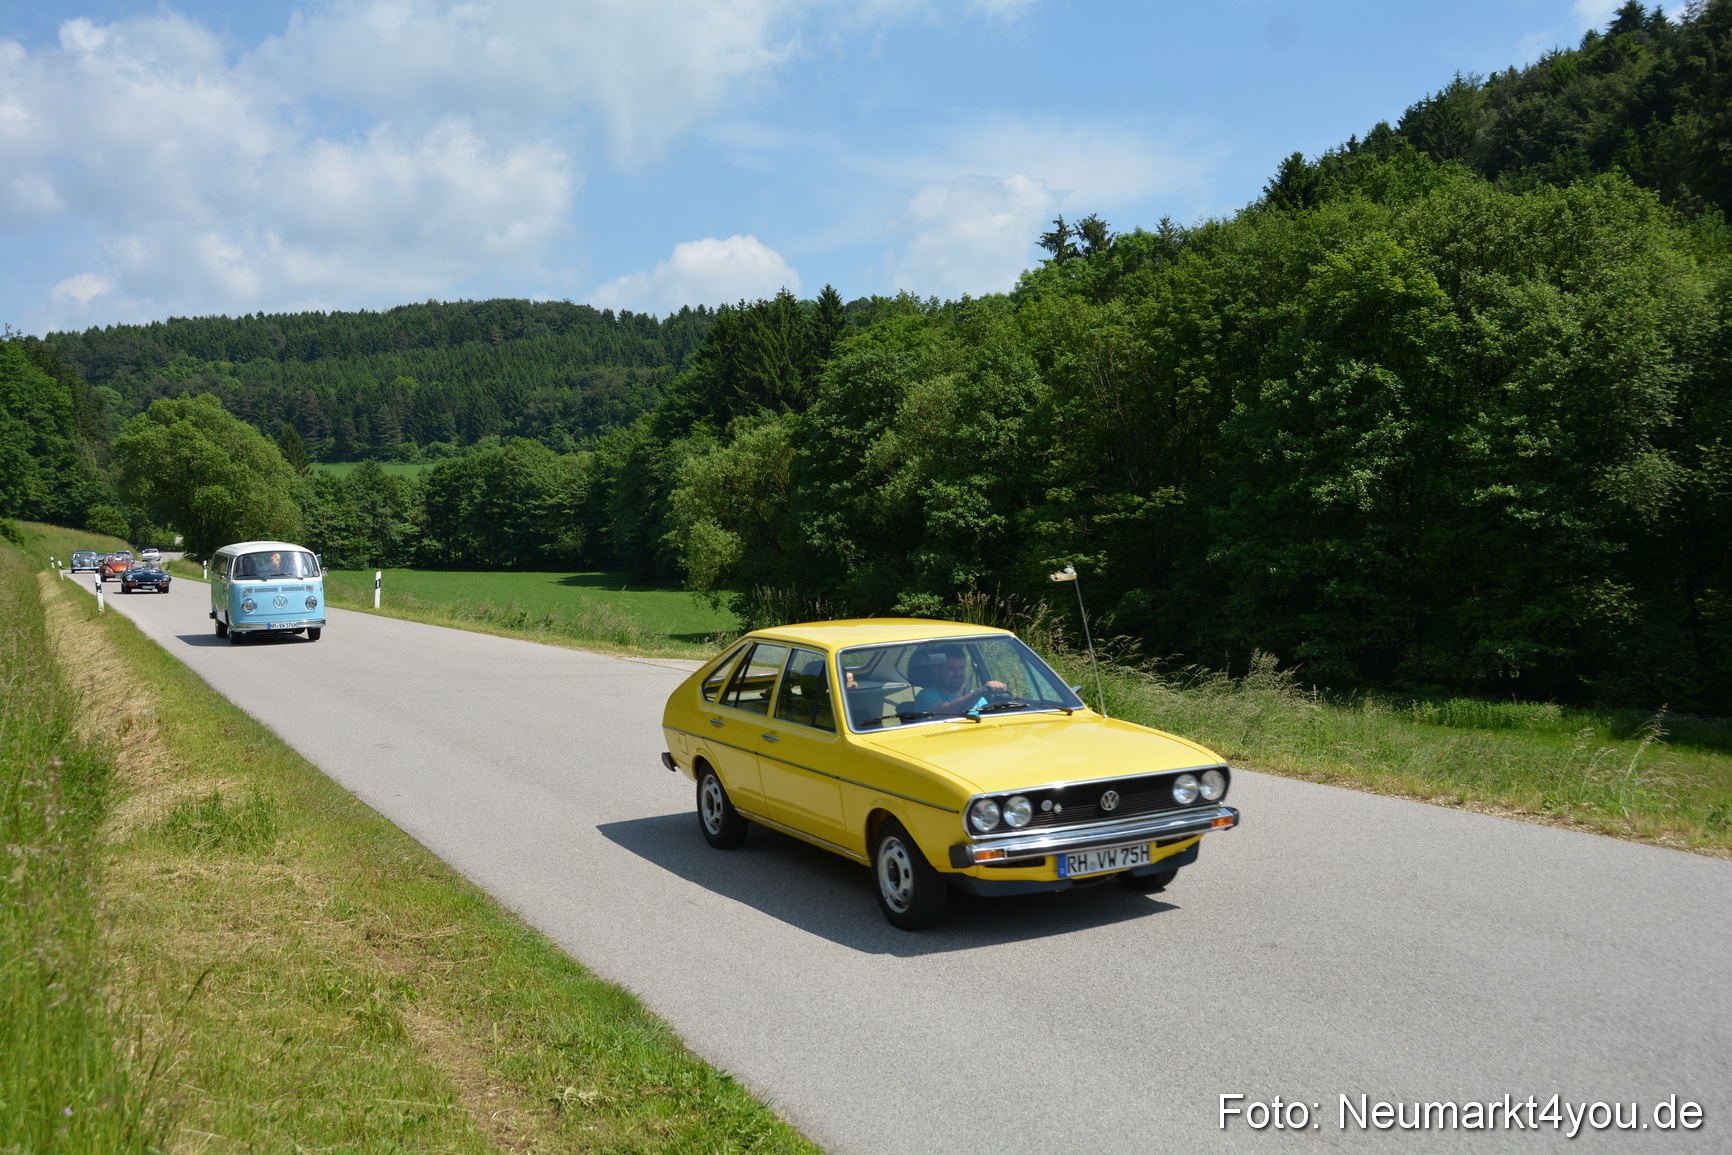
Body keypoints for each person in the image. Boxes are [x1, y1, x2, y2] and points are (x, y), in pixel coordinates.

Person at [908, 647, 1008, 716]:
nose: (958, 673)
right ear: (937, 671)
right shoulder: (925, 696)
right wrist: (980, 691)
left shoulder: (976, 696)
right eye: (951, 668)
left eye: (961, 668)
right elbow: (945, 712)